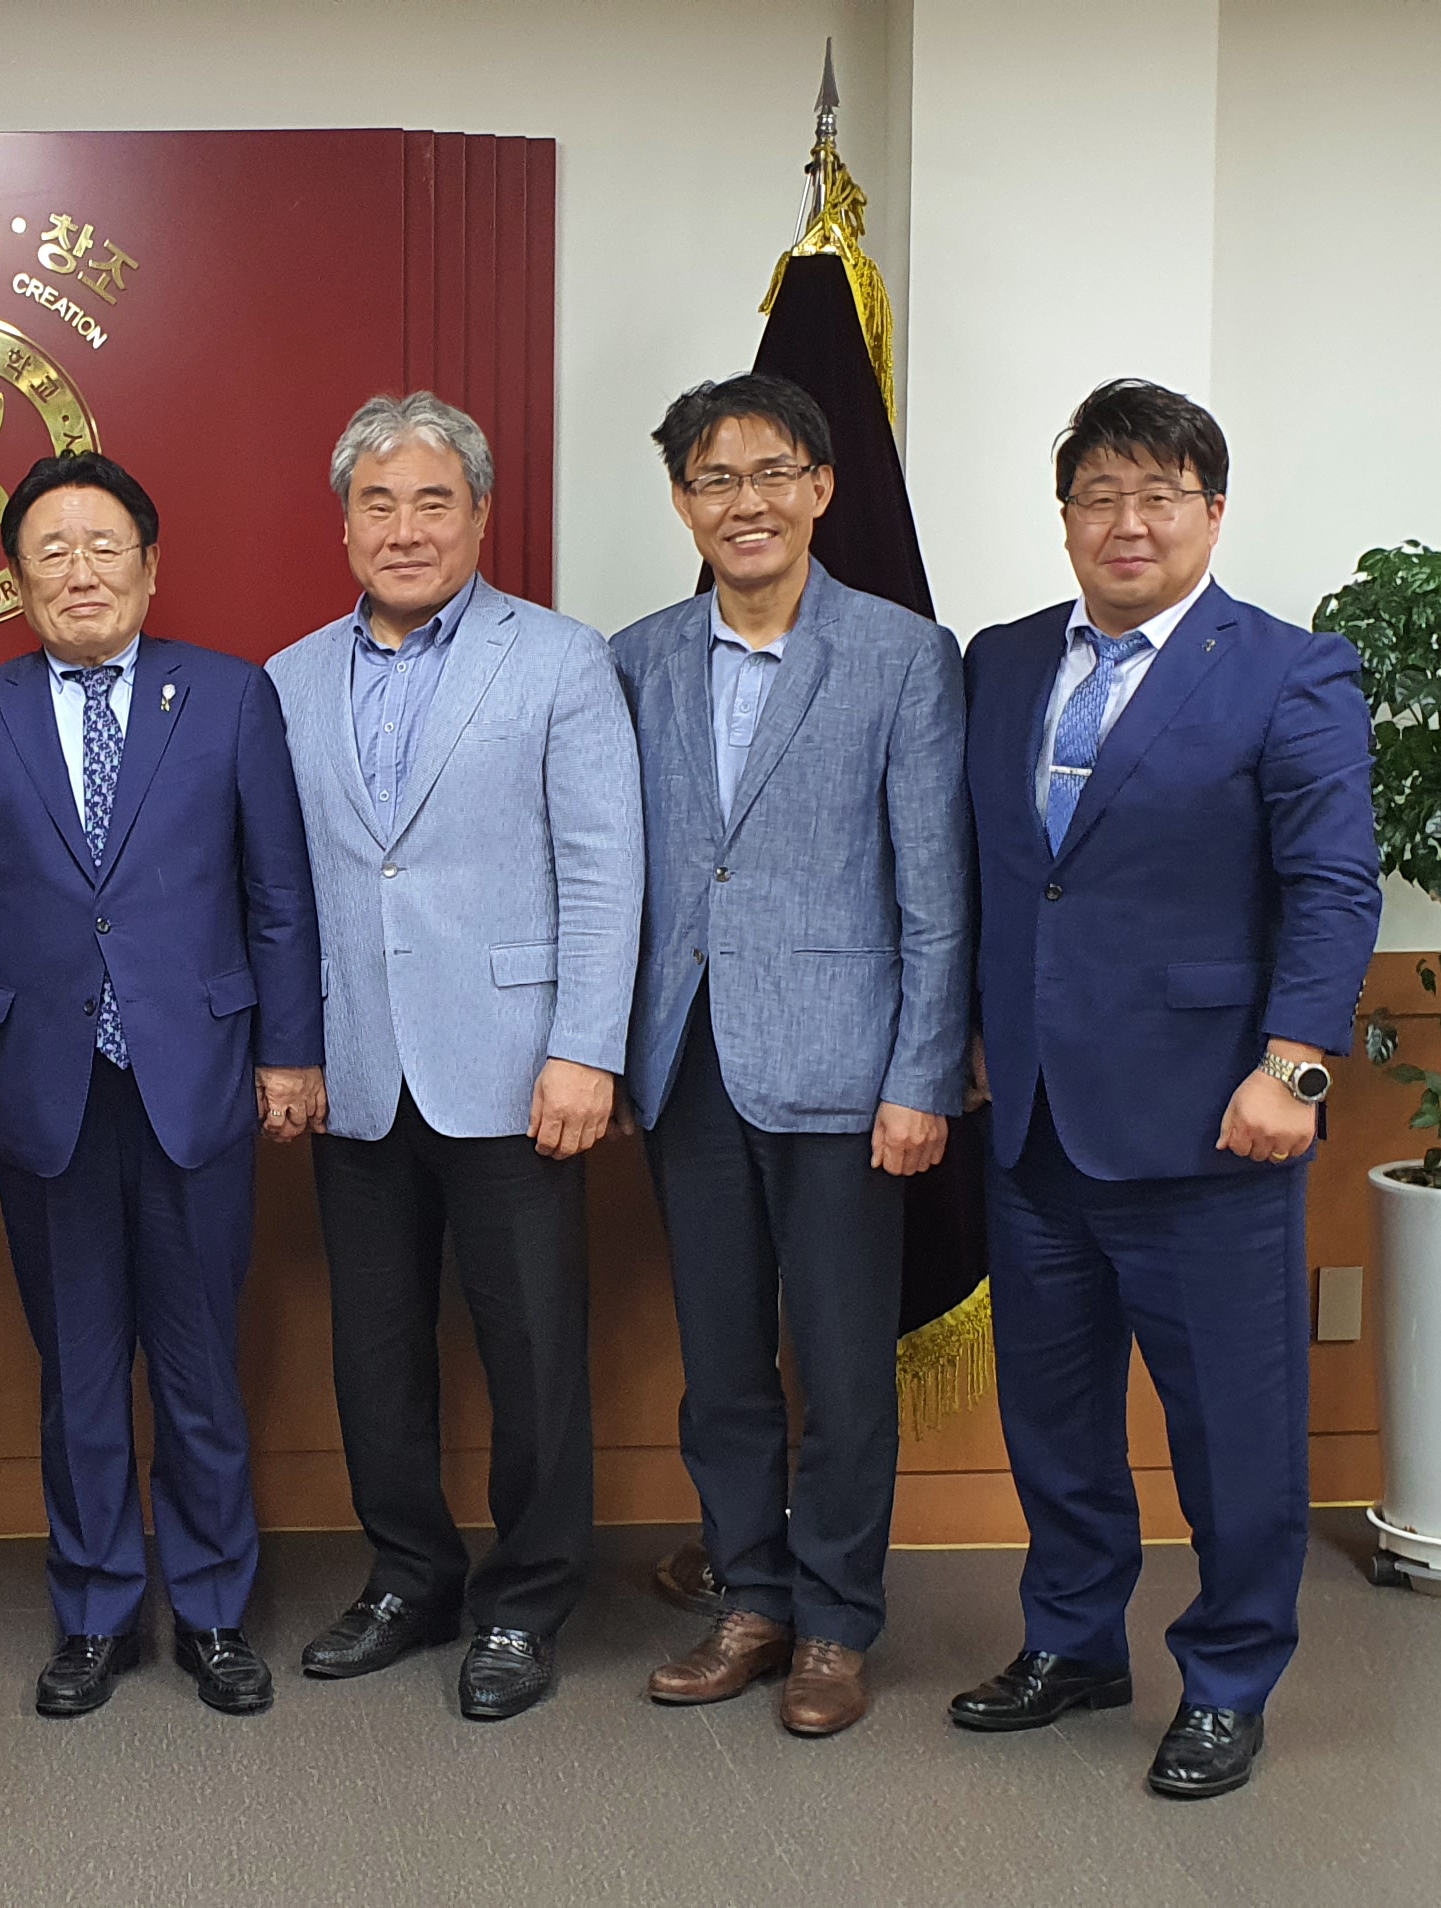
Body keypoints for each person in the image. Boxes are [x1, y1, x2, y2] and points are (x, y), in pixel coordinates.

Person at [947, 379, 1381, 1800]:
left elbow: (1332, 885)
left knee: (1233, 1434)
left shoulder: (1288, 671)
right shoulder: (1002, 662)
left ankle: (1229, 1676)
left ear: (1210, 511)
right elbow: (998, 876)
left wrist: (1293, 1065)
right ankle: (1073, 1644)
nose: (1126, 524)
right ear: (1065, 515)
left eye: (1159, 497)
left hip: (1216, 1127)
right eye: (1098, 498)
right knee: (1053, 1418)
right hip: (1036, 1120)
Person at [0, 453, 326, 1719]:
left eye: (105, 548)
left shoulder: (230, 697)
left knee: (198, 1363)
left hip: (198, 1078)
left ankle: (209, 1609)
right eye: (52, 550)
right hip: (45, 1090)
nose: (80, 571)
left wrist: (291, 1053)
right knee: (79, 1368)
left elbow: (277, 895)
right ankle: (93, 1611)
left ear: (151, 566)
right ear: (16, 577)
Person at [264, 392, 642, 1721]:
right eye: (379, 501)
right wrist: (289, 1045)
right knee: (374, 1351)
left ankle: (527, 1601)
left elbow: (605, 871)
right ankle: (409, 1573)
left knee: (534, 1352)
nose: (406, 526)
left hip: (517, 1063)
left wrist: (587, 1048)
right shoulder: (291, 677)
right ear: (345, 520)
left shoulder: (558, 660)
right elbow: (285, 892)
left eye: (435, 500)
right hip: (357, 1069)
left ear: (481, 514)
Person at [606, 374, 970, 1737]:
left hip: (845, 1070)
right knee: (722, 1363)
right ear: (683, 502)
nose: (742, 502)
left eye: (771, 474)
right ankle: (749, 1598)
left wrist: (922, 1077)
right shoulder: (636, 658)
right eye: (713, 478)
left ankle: (834, 1625)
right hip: (687, 1063)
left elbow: (936, 891)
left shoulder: (900, 657)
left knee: (839, 1359)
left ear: (822, 488)